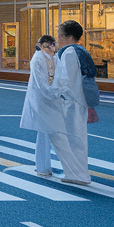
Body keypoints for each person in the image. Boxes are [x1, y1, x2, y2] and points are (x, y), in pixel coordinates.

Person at [20, 35, 70, 178]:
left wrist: (61, 91)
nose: (50, 48)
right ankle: (45, 167)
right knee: (48, 131)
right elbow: (40, 82)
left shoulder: (55, 58)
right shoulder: (37, 59)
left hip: (54, 97)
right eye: (47, 45)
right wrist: (54, 93)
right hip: (42, 99)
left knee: (48, 131)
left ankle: (45, 167)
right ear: (40, 45)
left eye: (52, 45)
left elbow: (61, 76)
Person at [53, 20, 94, 185]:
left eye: (59, 34)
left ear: (66, 35)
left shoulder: (69, 53)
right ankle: (78, 173)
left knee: (71, 138)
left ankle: (78, 175)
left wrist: (57, 94)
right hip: (80, 100)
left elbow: (66, 80)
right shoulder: (80, 50)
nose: (58, 37)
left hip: (71, 101)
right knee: (78, 137)